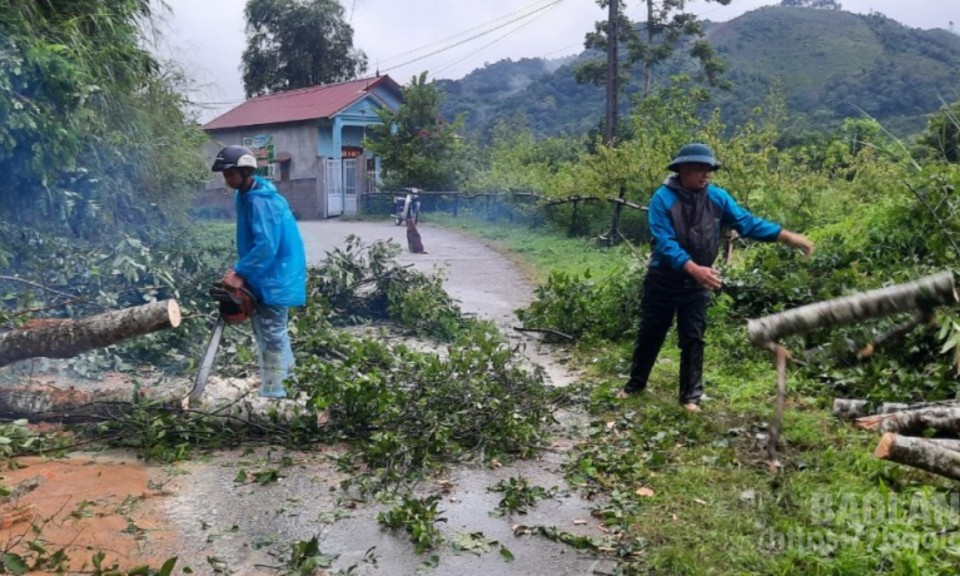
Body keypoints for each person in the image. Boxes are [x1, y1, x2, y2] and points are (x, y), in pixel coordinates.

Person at [619, 142, 813, 412]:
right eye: (700, 169)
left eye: (709, 169)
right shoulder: (662, 199)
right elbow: (665, 242)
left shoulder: (718, 198)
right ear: (683, 169)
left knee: (694, 336)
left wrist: (786, 236)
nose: (706, 175)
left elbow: (747, 223)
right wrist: (693, 267)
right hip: (663, 279)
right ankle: (635, 385)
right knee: (651, 332)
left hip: (698, 281)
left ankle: (690, 397)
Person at [211, 145, 307, 398]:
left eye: (231, 173)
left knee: (273, 333)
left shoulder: (261, 201)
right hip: (263, 272)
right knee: (265, 331)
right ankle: (281, 384)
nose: (228, 179)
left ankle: (279, 391)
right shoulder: (246, 195)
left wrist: (241, 271)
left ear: (246, 171)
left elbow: (266, 245)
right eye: (225, 174)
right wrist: (241, 271)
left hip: (275, 275)